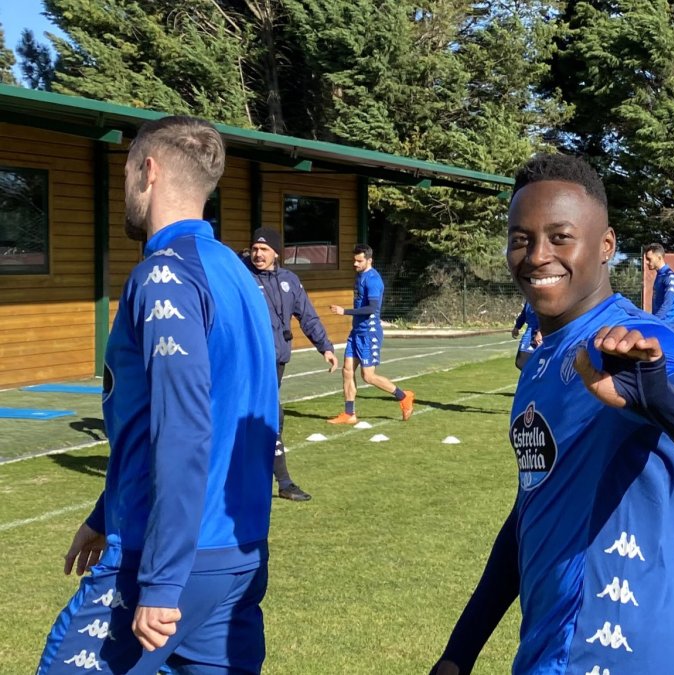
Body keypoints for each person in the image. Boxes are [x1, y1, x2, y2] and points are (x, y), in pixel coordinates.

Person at [429, 154, 674, 675]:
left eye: (560, 237)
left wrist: (654, 394)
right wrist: (458, 652)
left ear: (606, 246)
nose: (536, 256)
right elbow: (527, 518)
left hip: (609, 646)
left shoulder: (627, 341)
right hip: (550, 643)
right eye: (520, 238)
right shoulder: (541, 360)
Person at [37, 116, 278, 674]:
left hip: (165, 557)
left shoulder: (164, 276)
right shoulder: (238, 275)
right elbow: (166, 416)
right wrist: (102, 513)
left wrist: (163, 579)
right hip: (235, 558)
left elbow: (185, 429)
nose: (123, 188)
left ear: (149, 170)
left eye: (125, 172)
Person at [247, 226, 338, 502]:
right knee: (271, 417)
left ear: (276, 253)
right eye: (254, 249)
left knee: (265, 420)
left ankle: (263, 477)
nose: (258, 254)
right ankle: (283, 482)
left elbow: (308, 316)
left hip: (277, 362)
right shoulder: (243, 277)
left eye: (263, 249)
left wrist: (326, 347)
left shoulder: (290, 280)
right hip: (251, 362)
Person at [327, 244, 414, 424]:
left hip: (369, 333)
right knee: (347, 370)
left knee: (368, 376)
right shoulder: (360, 276)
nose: (355, 264)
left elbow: (372, 308)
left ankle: (403, 396)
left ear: (369, 260)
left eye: (359, 261)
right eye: (354, 260)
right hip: (356, 332)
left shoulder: (374, 280)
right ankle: (349, 414)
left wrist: (345, 312)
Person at [643, 243, 674, 332]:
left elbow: (667, 303)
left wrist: (654, 320)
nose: (646, 262)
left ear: (659, 257)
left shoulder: (669, 277)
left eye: (649, 259)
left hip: (667, 324)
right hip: (659, 322)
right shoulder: (660, 275)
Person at [511, 301, 542, 369]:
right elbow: (524, 314)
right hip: (530, 330)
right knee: (520, 362)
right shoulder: (529, 298)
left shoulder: (544, 296)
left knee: (526, 361)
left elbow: (548, 315)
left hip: (542, 331)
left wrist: (540, 331)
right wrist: (517, 327)